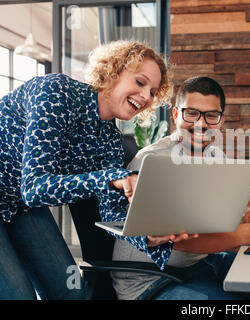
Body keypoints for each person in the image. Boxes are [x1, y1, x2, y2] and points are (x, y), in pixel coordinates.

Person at [0, 40, 195, 300]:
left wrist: (148, 235)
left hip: (18, 205)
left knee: (70, 291)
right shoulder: (56, 92)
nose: (146, 96)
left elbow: (112, 212)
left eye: (153, 92)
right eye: (140, 82)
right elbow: (35, 188)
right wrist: (112, 177)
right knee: (19, 294)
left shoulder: (110, 141)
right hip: (24, 195)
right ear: (113, 71)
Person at [109, 76, 250, 300]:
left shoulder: (212, 154)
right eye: (191, 113)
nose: (201, 124)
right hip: (151, 280)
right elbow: (180, 240)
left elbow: (243, 187)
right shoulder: (153, 161)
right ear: (175, 115)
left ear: (220, 121)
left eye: (211, 116)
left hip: (198, 264)